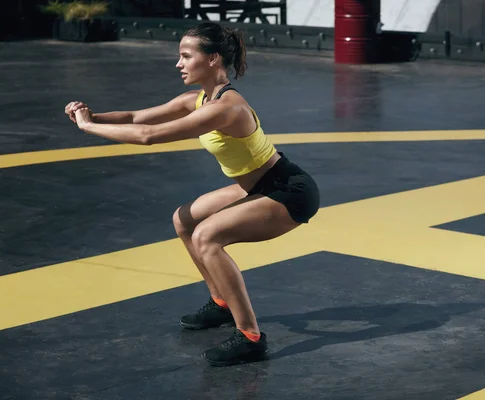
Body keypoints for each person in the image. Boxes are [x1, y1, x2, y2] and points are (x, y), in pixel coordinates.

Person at [64, 21, 320, 367]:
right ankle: (221, 303)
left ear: (213, 59)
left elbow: (149, 136)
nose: (179, 63)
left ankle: (250, 337)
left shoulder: (226, 107)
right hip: (256, 186)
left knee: (207, 237)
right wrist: (91, 115)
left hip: (289, 191)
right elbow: (138, 117)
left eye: (186, 56)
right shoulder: (195, 100)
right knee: (184, 220)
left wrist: (90, 128)